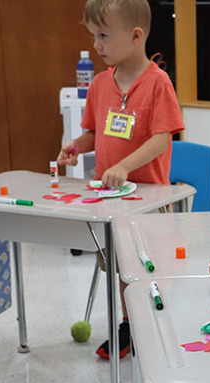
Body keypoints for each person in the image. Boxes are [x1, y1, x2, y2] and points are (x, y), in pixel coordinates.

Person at [57, 0, 184, 359]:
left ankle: (153, 323)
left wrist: (125, 166)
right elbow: (94, 134)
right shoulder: (100, 84)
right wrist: (76, 147)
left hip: (148, 201)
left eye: (103, 36)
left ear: (135, 35)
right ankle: (130, 325)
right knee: (120, 266)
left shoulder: (157, 83)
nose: (96, 44)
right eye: (93, 35)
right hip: (110, 200)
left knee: (146, 266)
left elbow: (162, 139)